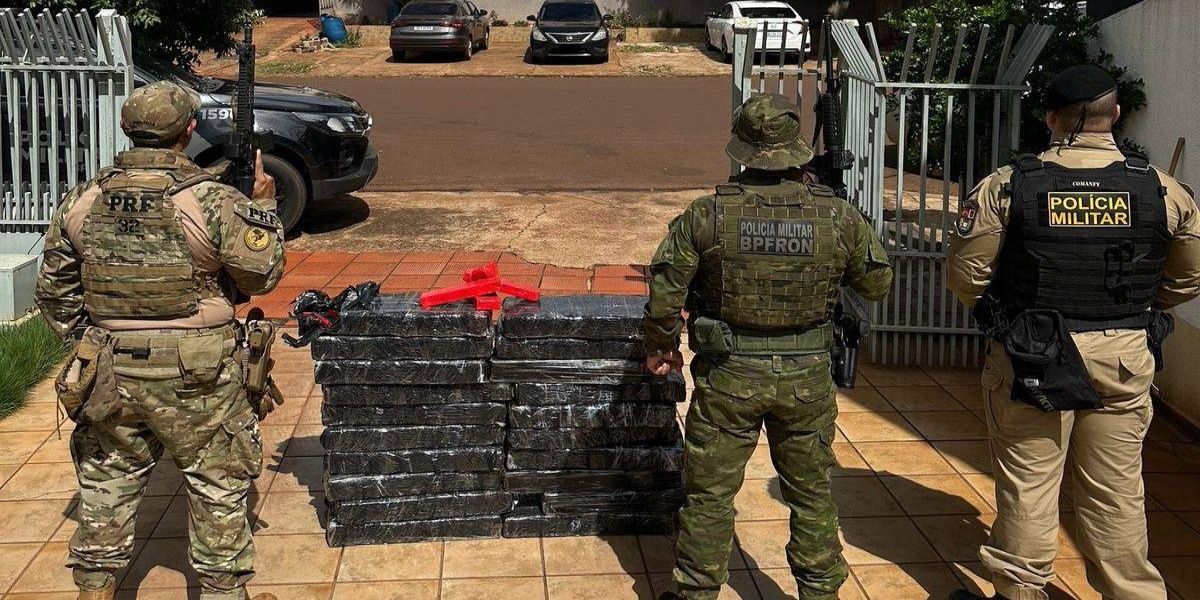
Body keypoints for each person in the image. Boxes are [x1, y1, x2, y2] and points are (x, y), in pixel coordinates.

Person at [946, 64, 1200, 600]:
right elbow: (1190, 274)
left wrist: (1007, 314)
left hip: (1033, 356)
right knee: (1116, 494)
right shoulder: (1162, 188)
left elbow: (966, 276)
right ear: (1116, 114)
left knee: (1029, 488)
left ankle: (1020, 592)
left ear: (1050, 119)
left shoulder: (1010, 184)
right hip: (1125, 355)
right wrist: (1134, 310)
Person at [35, 81, 286, 600]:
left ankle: (95, 587)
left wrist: (95, 340)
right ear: (188, 132)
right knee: (216, 482)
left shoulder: (82, 200)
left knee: (108, 480)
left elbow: (54, 293)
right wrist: (263, 207)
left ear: (127, 130)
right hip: (200, 373)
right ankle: (222, 592)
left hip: (110, 368)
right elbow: (262, 275)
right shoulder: (211, 199)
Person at [643, 93, 894, 600]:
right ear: (795, 151)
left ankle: (695, 592)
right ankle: (820, 592)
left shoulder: (707, 214)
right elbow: (876, 285)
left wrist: (661, 346)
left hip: (729, 376)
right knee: (812, 494)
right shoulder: (837, 216)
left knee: (710, 495)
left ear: (743, 150)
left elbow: (665, 293)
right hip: (806, 378)